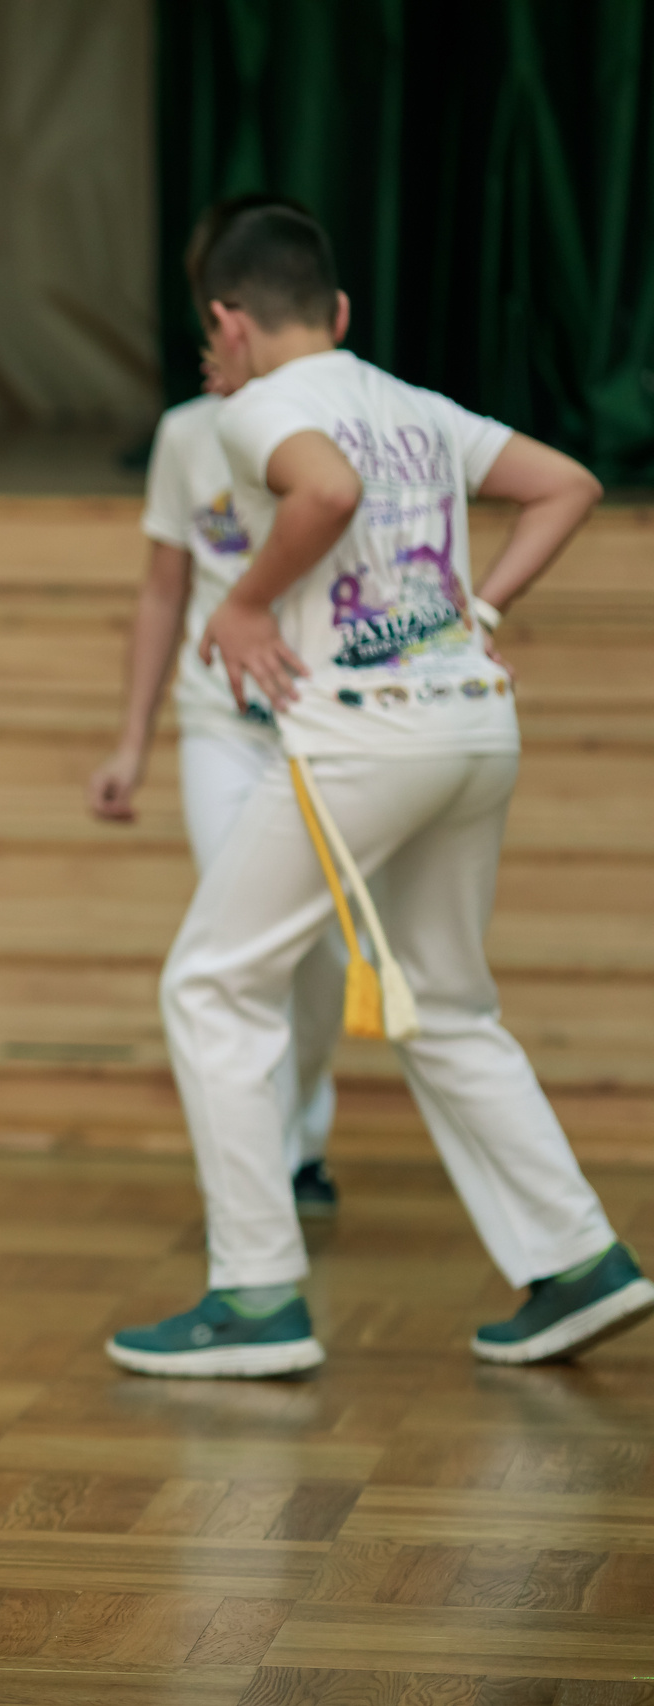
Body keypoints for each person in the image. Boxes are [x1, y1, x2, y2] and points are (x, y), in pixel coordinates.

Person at [108, 204, 648, 1377]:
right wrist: (483, 612)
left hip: (364, 741)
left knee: (211, 985)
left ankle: (255, 1295)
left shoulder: (253, 409)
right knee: (447, 1004)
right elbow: (566, 484)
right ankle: (579, 1260)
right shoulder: (416, 405)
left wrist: (244, 605)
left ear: (226, 322)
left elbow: (326, 492)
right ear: (341, 311)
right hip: (472, 728)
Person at [89, 193, 346, 1219]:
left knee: (321, 958)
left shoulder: (351, 426)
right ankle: (264, 1181)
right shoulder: (187, 436)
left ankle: (301, 1134)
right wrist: (131, 743)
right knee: (244, 942)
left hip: (331, 734)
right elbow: (163, 590)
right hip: (219, 730)